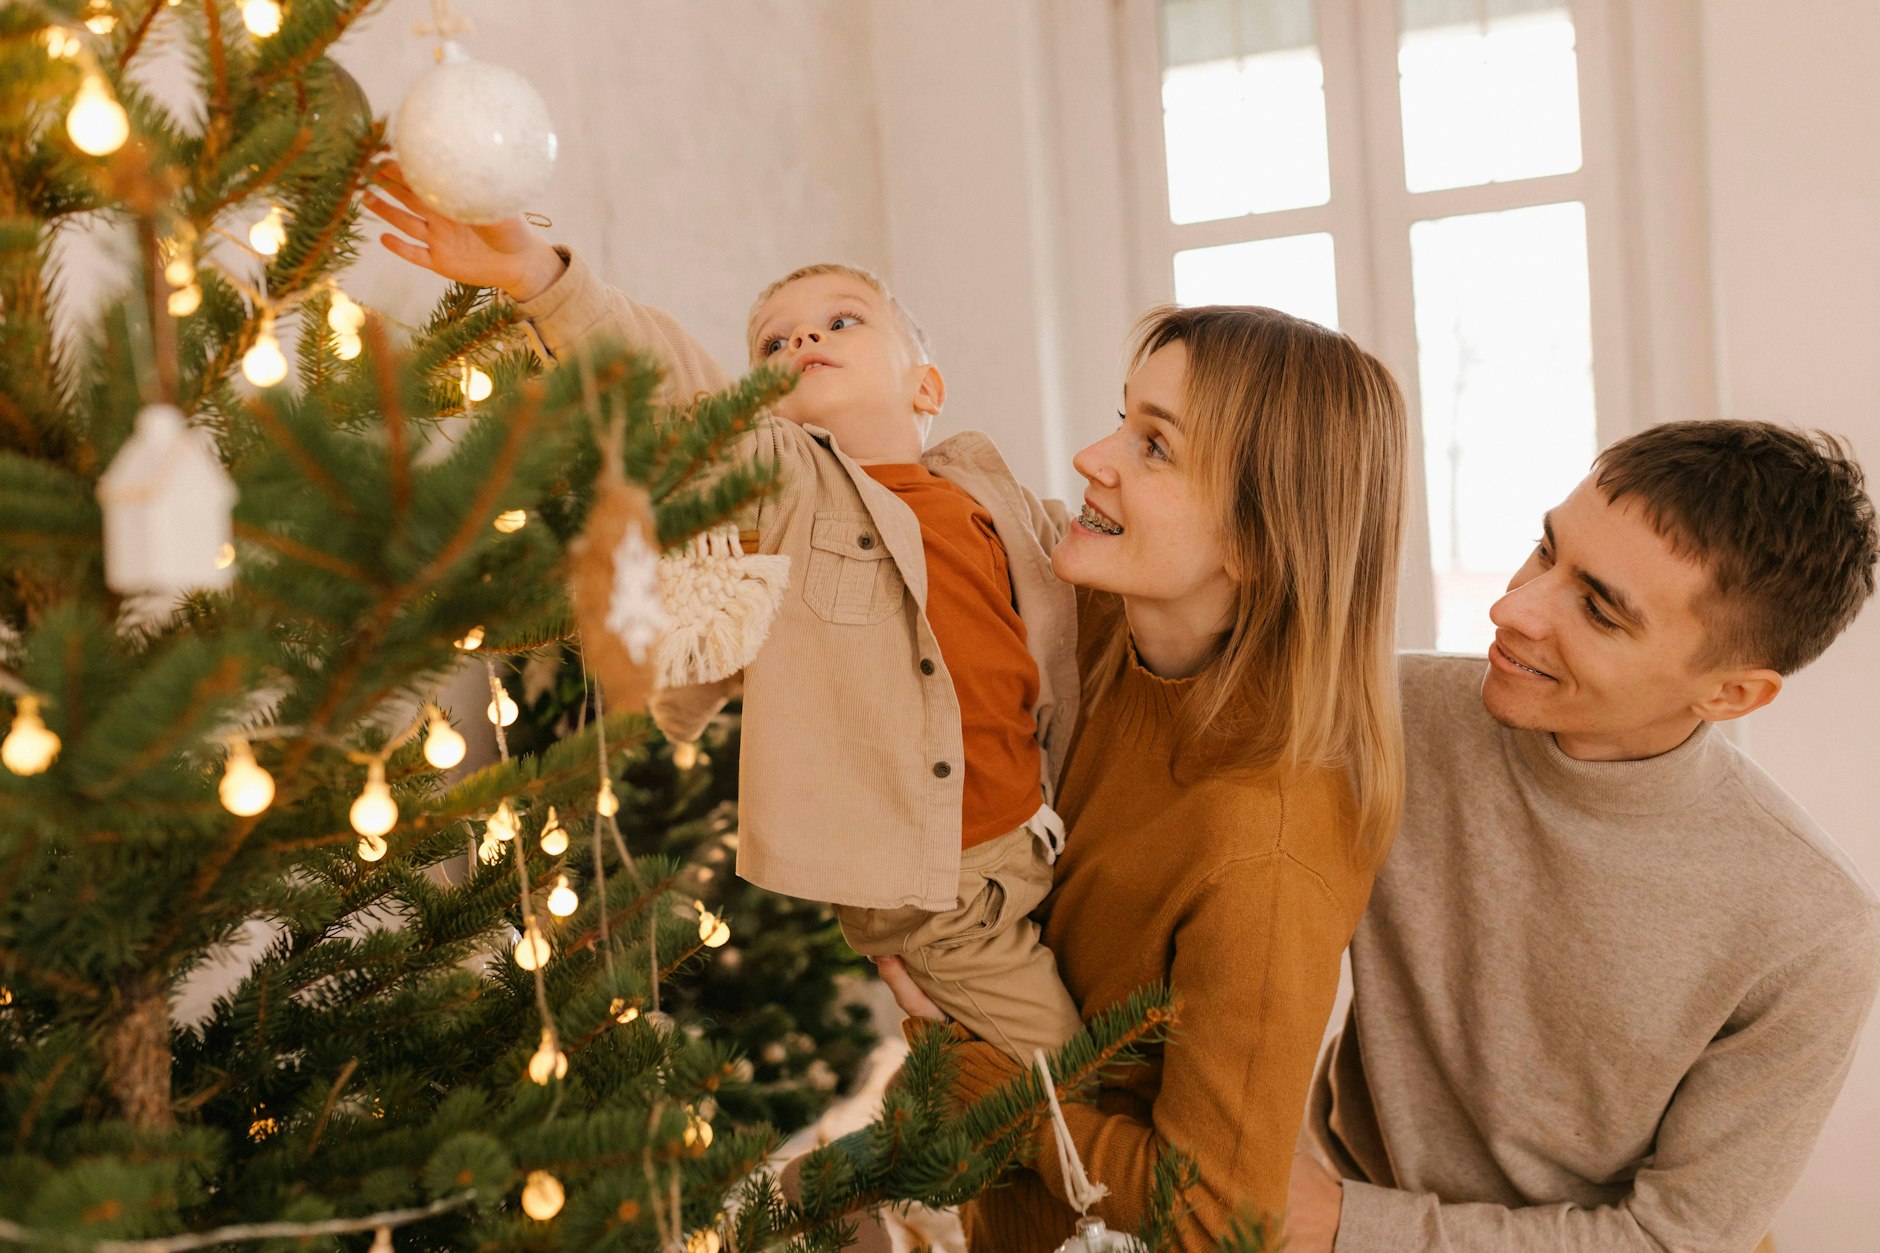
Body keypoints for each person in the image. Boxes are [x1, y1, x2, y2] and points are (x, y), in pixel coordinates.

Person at [364, 167, 1089, 1065]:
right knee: (1074, 1081)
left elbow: (1084, 604)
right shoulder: (793, 486)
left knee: (1105, 1036)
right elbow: (669, 390)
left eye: (842, 321)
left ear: (926, 387)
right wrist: (541, 279)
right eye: (774, 342)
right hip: (944, 892)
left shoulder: (991, 496)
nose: (805, 338)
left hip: (1042, 833)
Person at [881, 303, 1409, 1250]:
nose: (1092, 456)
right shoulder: (1081, 627)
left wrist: (971, 1071)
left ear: (1257, 540)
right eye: (1122, 418)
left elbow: (1214, 1214)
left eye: (1155, 446)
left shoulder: (1264, 845)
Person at [1290, 420, 1880, 1253]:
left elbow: (1676, 1241)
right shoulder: (1382, 717)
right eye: (1546, 549)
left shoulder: (1814, 929)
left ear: (1730, 695)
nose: (1511, 607)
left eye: (1599, 609)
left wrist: (1345, 1224)